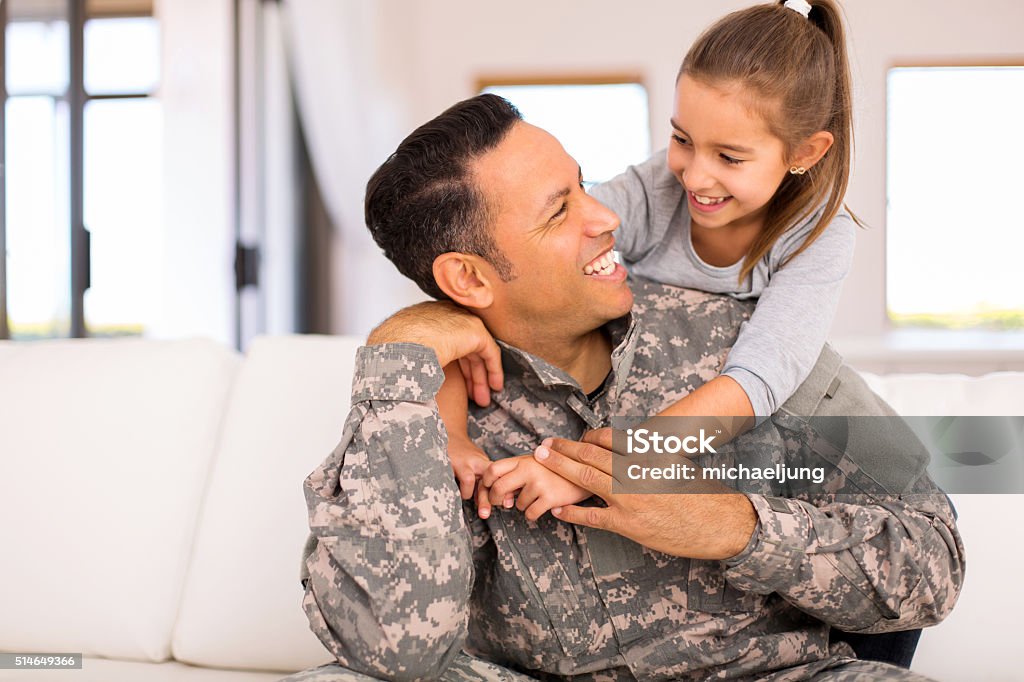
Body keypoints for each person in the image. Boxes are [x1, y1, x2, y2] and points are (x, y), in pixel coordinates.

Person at [286, 93, 963, 682]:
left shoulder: (748, 347)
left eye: (584, 184)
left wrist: (731, 527)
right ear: (468, 279)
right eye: (560, 212)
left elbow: (932, 560)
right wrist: (397, 355)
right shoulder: (415, 400)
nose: (606, 216)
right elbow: (395, 651)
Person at [441, 0, 862, 522]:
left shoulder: (820, 235)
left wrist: (588, 472)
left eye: (729, 157)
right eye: (682, 139)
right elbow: (525, 269)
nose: (694, 176)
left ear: (805, 153)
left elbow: (757, 381)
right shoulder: (658, 184)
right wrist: (453, 434)